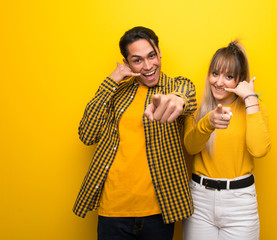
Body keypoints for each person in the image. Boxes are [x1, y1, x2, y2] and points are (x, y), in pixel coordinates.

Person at [73, 26, 197, 240]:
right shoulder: (118, 92)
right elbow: (87, 134)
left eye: (151, 56)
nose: (148, 66)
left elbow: (187, 97)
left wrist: (177, 99)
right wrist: (111, 81)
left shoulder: (177, 86)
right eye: (137, 60)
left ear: (159, 52)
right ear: (128, 63)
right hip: (113, 211)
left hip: (159, 212)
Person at [182, 41, 271, 240]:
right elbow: (190, 147)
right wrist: (208, 123)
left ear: (239, 80)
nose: (219, 82)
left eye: (228, 76)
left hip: (240, 204)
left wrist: (250, 98)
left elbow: (259, 150)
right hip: (200, 200)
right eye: (215, 73)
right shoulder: (195, 110)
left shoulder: (254, 108)